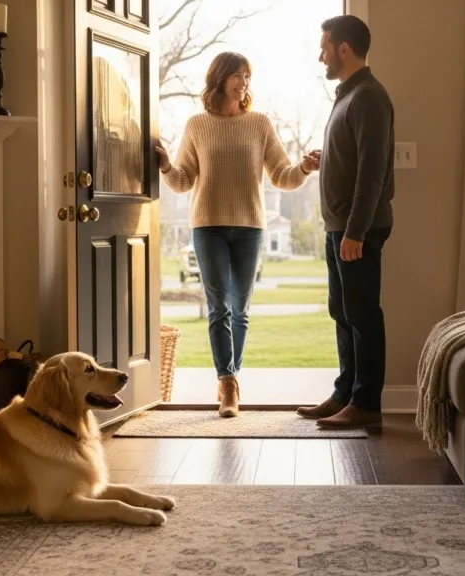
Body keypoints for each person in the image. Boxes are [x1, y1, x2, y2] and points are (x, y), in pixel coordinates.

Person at [156, 51, 318, 418]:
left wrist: (305, 167)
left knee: (240, 309)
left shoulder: (259, 123)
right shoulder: (198, 124)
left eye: (247, 75)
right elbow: (182, 180)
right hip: (208, 225)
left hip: (249, 227)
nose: (244, 82)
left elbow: (281, 175)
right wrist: (166, 164)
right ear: (220, 77)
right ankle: (227, 382)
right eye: (237, 75)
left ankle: (232, 377)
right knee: (218, 306)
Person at [297, 15, 395, 429]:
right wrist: (329, 163)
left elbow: (373, 173)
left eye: (325, 47)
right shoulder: (347, 95)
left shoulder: (369, 96)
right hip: (339, 226)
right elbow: (354, 160)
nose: (321, 55)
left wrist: (355, 232)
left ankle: (365, 404)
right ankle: (344, 392)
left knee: (362, 314)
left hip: (358, 229)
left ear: (343, 49)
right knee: (342, 310)